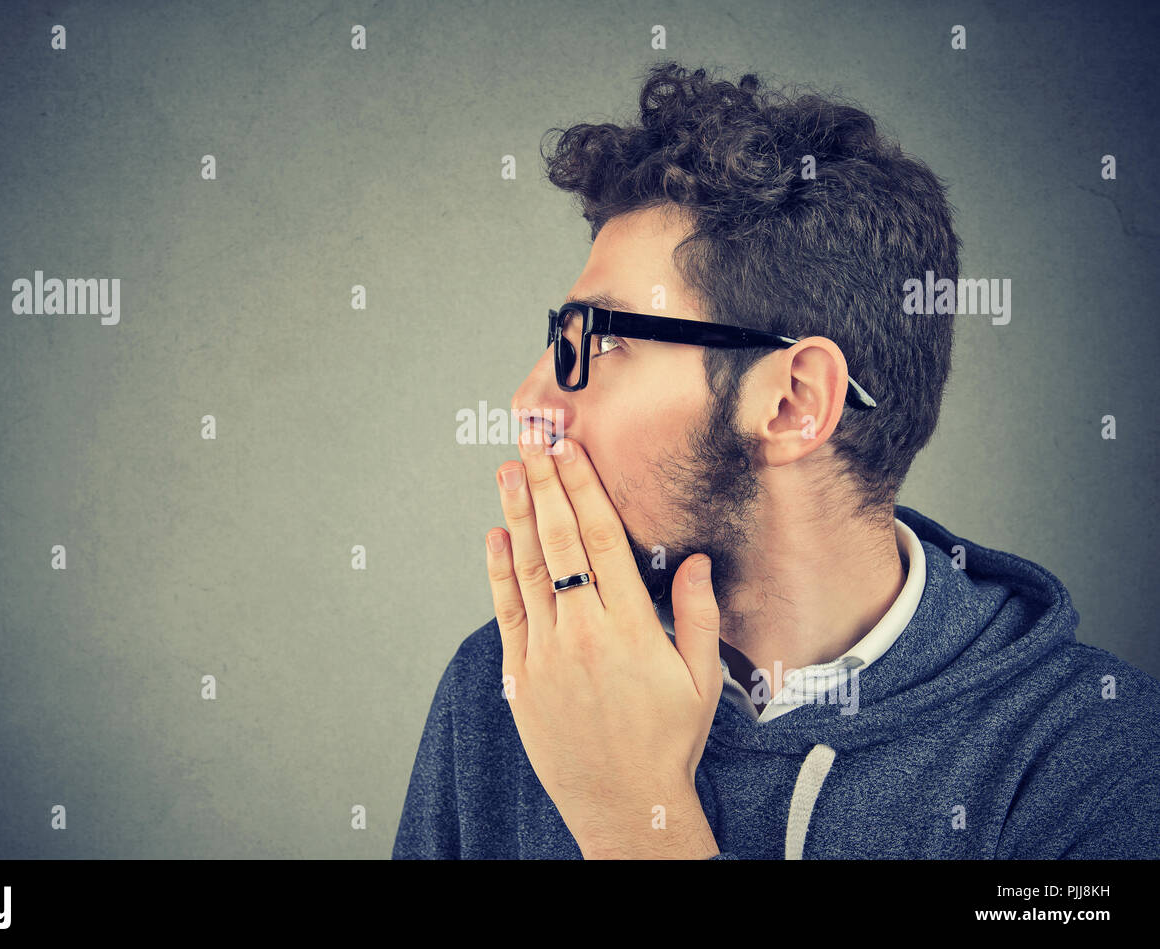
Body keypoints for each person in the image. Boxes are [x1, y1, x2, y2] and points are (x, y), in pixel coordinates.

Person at [392, 62, 1160, 859]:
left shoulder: (1100, 760)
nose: (528, 405)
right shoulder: (514, 684)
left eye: (606, 339)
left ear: (795, 402)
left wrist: (634, 820)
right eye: (560, 340)